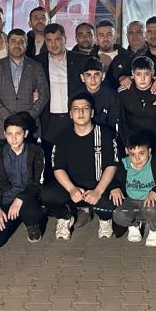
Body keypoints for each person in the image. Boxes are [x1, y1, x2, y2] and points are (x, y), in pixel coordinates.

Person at [41, 93, 119, 240]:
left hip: (97, 186)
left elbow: (112, 165)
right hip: (73, 187)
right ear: (71, 114)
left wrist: (98, 191)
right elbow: (58, 168)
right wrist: (71, 189)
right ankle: (65, 217)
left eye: (85, 108)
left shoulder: (105, 134)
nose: (81, 112)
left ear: (92, 112)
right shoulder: (62, 137)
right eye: (76, 109)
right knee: (47, 194)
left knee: (110, 201)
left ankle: (105, 219)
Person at [0, 112, 47, 249]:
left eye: (18, 133)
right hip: (5, 201)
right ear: (4, 134)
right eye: (9, 134)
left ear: (25, 133)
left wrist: (20, 199)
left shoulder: (36, 152)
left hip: (27, 200)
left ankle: (31, 223)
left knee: (32, 213)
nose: (13, 138)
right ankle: (14, 220)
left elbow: (38, 184)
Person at [37, 23, 88, 176]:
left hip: (73, 118)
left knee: (75, 159)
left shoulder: (81, 60)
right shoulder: (37, 62)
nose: (54, 44)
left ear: (65, 39)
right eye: (49, 40)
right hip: (48, 120)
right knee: (49, 163)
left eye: (57, 39)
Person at [0, 28, 49, 143]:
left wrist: (27, 117)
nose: (17, 45)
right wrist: (8, 118)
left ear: (26, 44)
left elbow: (44, 94)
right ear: (7, 44)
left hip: (29, 127)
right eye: (13, 41)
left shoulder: (36, 66)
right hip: (2, 127)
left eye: (21, 42)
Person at [110, 131, 156, 247]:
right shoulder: (124, 164)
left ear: (149, 151)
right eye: (133, 154)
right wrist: (115, 187)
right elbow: (114, 179)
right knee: (119, 214)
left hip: (150, 202)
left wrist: (155, 191)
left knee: (153, 210)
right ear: (127, 152)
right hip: (131, 201)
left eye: (141, 153)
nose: (137, 158)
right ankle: (134, 225)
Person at [118, 56, 156, 148]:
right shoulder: (123, 91)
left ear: (153, 73)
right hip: (132, 142)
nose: (142, 78)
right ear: (132, 73)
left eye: (146, 74)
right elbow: (121, 122)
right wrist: (125, 144)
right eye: (138, 74)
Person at [81, 57, 121, 133]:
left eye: (96, 74)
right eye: (88, 75)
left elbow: (114, 123)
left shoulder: (112, 96)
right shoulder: (77, 96)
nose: (93, 79)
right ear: (82, 78)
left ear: (103, 76)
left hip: (106, 133)